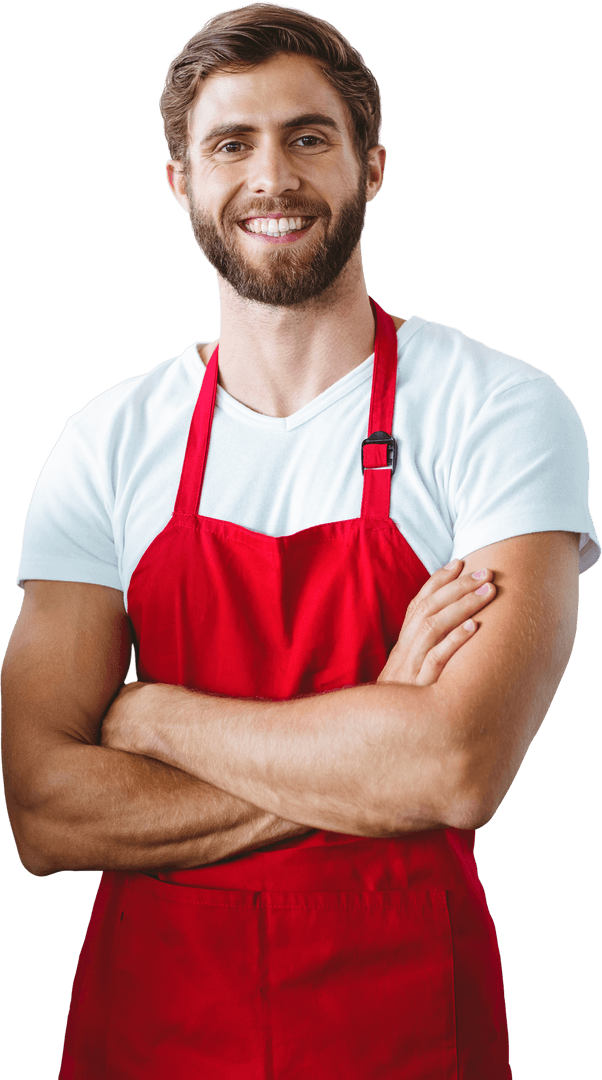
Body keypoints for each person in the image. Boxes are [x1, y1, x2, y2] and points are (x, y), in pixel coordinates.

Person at [2, 3, 599, 1077]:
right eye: (231, 144)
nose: (271, 177)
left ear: (371, 167)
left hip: (408, 1031)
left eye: (308, 137)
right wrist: (372, 745)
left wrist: (152, 716)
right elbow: (43, 809)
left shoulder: (499, 410)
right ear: (180, 180)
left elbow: (456, 767)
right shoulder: (105, 441)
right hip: (153, 1032)